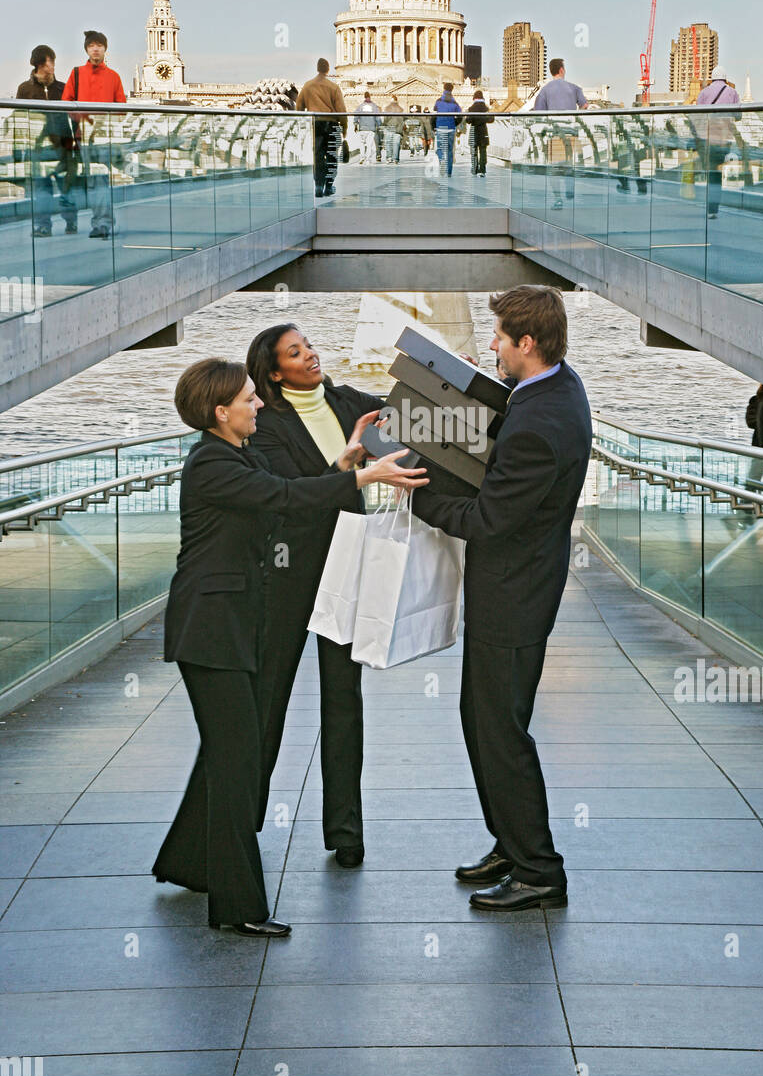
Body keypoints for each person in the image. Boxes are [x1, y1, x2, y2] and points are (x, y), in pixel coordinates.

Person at [152, 358, 427, 935]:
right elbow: (280, 496)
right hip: (211, 630)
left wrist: (344, 461)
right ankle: (237, 907)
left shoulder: (236, 454)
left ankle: (190, 864)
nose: (258, 406)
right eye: (249, 400)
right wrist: (362, 479)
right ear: (219, 411)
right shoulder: (211, 465)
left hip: (232, 626)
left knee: (228, 754)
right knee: (236, 764)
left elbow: (290, 493)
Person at [412, 285, 592, 912]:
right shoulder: (553, 389)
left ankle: (539, 870)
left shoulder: (541, 422)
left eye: (499, 339)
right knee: (480, 718)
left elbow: (489, 519)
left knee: (501, 730)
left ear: (528, 344)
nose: (490, 345)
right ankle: (511, 843)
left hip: (514, 595)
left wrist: (422, 494)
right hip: (514, 589)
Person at [246, 324, 386, 867]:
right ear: (274, 371)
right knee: (268, 699)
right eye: (296, 353)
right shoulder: (265, 423)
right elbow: (288, 499)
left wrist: (447, 380)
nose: (311, 356)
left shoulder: (348, 400)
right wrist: (348, 465)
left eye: (309, 346)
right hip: (287, 573)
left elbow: (412, 416)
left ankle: (346, 832)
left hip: (346, 565)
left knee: (344, 702)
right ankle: (243, 822)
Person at [61, 31, 125, 238]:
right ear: (87, 49)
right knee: (93, 180)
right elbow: (65, 103)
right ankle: (102, 222)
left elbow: (121, 108)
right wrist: (83, 119)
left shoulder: (114, 77)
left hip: (105, 136)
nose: (96, 49)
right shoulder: (77, 73)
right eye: (92, 46)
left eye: (99, 45)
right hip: (85, 136)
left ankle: (102, 223)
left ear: (105, 49)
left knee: (100, 180)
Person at [16, 45, 78, 237]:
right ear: (38, 64)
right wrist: (21, 149)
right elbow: (20, 119)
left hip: (63, 147)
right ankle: (44, 226)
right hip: (39, 148)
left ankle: (71, 222)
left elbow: (75, 115)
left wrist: (75, 142)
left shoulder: (62, 88)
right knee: (42, 191)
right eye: (48, 62)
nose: (52, 65)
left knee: (66, 188)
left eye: (52, 61)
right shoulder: (24, 89)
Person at [533, 59, 587, 208]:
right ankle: (570, 190)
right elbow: (585, 105)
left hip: (555, 134)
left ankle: (558, 199)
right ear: (562, 70)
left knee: (555, 169)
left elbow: (539, 113)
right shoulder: (574, 88)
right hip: (572, 133)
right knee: (569, 166)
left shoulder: (544, 90)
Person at [295, 58, 348, 198]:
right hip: (332, 125)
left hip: (316, 124)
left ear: (317, 68)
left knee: (318, 156)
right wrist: (345, 127)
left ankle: (318, 186)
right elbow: (341, 110)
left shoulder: (308, 86)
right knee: (332, 156)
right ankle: (329, 186)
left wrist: (302, 121)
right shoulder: (333, 87)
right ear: (328, 69)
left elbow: (299, 107)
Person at [696, 66, 740, 220]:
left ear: (712, 78)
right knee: (717, 174)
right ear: (725, 78)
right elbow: (738, 115)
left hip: (707, 138)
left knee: (711, 174)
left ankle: (710, 207)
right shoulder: (732, 92)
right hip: (724, 139)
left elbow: (697, 115)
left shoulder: (704, 92)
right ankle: (713, 209)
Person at [433, 82, 462, 177]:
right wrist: (454, 123)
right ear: (452, 90)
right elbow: (460, 116)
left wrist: (434, 126)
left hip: (440, 128)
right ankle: (449, 172)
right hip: (450, 128)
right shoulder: (455, 103)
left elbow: (433, 115)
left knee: (440, 149)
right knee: (450, 151)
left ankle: (442, 161)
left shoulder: (438, 101)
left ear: (443, 89)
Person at [465, 90, 493, 177]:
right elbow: (491, 119)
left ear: (474, 98)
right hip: (483, 130)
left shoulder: (471, 108)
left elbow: (468, 120)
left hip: (474, 130)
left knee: (474, 151)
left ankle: (474, 169)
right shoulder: (486, 108)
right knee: (483, 151)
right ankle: (483, 170)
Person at [353, 91, 380, 165]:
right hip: (371, 128)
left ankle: (362, 158)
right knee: (369, 144)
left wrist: (355, 125)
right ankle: (368, 159)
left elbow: (356, 116)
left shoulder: (360, 106)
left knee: (361, 144)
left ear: (364, 97)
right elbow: (378, 117)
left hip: (362, 128)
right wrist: (378, 125)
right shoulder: (374, 106)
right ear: (370, 96)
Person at [382, 97, 404, 162]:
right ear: (397, 101)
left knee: (388, 143)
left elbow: (386, 118)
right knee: (396, 144)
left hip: (389, 127)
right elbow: (403, 119)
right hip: (398, 128)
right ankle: (395, 159)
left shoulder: (387, 108)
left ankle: (389, 157)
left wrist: (384, 125)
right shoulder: (401, 109)